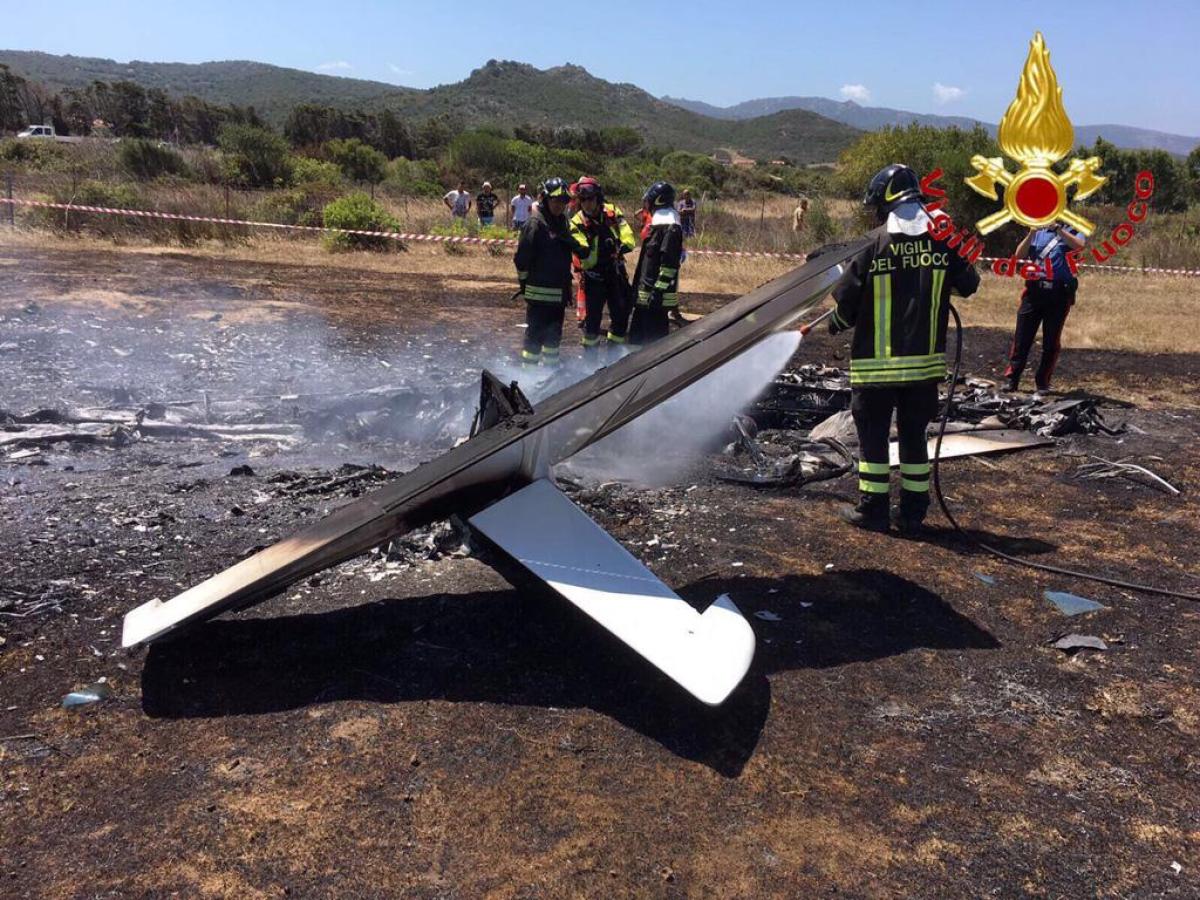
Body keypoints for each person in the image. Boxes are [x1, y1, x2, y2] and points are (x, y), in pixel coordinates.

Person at [827, 163, 980, 534]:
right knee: (914, 439)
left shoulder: (873, 245)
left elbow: (845, 300)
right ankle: (913, 514)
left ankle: (873, 509)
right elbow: (969, 284)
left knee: (874, 441)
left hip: (875, 368)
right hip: (924, 371)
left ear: (886, 202)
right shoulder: (942, 242)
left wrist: (837, 323)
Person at [1003, 223, 1086, 394]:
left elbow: (1079, 246)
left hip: (1059, 293)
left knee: (1051, 340)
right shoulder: (1038, 231)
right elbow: (1020, 254)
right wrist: (1031, 232)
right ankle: (1012, 378)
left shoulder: (1075, 230)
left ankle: (1042, 381)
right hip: (1034, 290)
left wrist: (1059, 231)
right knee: (1022, 337)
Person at [568, 176, 636, 357]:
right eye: (583, 200)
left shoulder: (611, 212)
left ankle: (614, 359)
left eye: (590, 199)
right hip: (594, 277)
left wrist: (621, 246)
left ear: (598, 197)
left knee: (620, 316)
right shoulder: (576, 221)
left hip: (615, 273)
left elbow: (628, 234)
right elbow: (585, 255)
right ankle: (590, 363)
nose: (587, 204)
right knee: (592, 323)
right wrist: (599, 244)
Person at [513, 177, 573, 368]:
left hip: (558, 296)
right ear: (545, 199)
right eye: (556, 201)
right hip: (538, 296)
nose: (559, 205)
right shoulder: (535, 223)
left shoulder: (562, 222)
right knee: (534, 342)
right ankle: (528, 379)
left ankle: (550, 376)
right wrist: (524, 285)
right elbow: (521, 259)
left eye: (563, 202)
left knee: (554, 341)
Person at [629, 181, 683, 347]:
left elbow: (669, 265)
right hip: (645, 298)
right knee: (636, 341)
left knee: (654, 346)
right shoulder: (658, 225)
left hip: (655, 301)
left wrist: (657, 291)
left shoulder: (670, 227)